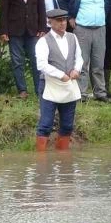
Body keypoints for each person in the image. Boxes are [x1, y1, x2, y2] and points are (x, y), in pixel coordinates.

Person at [60, 0, 111, 102]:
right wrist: (70, 16)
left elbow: (108, 6)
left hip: (100, 29)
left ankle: (100, 93)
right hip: (82, 29)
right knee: (82, 62)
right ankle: (81, 94)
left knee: (98, 63)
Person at [35, 9, 83, 151]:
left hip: (68, 85)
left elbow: (79, 57)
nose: (63, 23)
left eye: (64, 20)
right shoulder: (43, 41)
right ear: (50, 22)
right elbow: (41, 65)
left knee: (67, 125)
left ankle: (63, 158)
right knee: (46, 124)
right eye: (59, 20)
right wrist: (60, 74)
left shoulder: (72, 38)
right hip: (49, 84)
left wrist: (76, 69)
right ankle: (41, 161)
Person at [0, 0, 47, 99]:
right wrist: (4, 31)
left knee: (36, 59)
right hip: (15, 29)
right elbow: (4, 10)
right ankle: (22, 90)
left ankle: (40, 91)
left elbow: (41, 7)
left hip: (33, 29)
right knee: (17, 61)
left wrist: (42, 27)